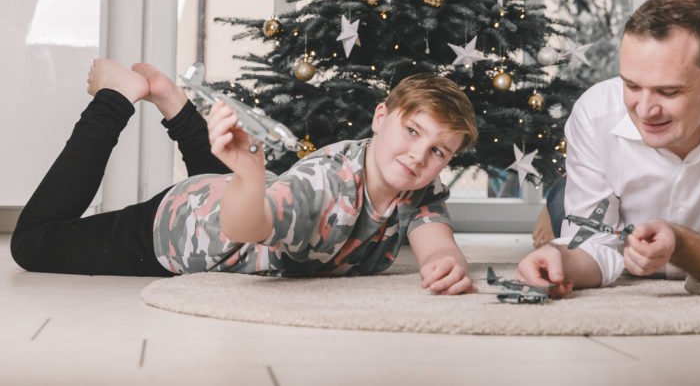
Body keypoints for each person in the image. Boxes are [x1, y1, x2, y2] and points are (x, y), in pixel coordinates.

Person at [12, 59, 478, 294]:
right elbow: (244, 227)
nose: (419, 155)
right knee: (33, 242)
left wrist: (445, 262)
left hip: (245, 192)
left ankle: (170, 98)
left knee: (238, 177)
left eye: (438, 150)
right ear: (381, 117)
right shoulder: (323, 191)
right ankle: (116, 96)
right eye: (412, 131)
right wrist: (251, 177)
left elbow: (434, 237)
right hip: (187, 226)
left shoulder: (416, 185)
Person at [520, 0, 700, 296]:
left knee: (565, 197)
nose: (644, 110)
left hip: (639, 217)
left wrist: (681, 246)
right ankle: (558, 198)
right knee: (563, 204)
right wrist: (561, 259)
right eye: (631, 85)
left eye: (668, 92)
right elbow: (593, 248)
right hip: (601, 206)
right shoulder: (594, 113)